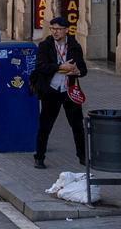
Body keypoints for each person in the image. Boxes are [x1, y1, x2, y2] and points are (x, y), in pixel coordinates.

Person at [31, 16, 88, 169]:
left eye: (58, 29)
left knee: (77, 126)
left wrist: (77, 71)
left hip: (69, 90)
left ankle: (83, 156)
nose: (55, 32)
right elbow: (41, 66)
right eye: (53, 29)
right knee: (45, 126)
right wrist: (60, 67)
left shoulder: (75, 46)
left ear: (66, 30)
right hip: (51, 91)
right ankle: (39, 157)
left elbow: (83, 69)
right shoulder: (45, 46)